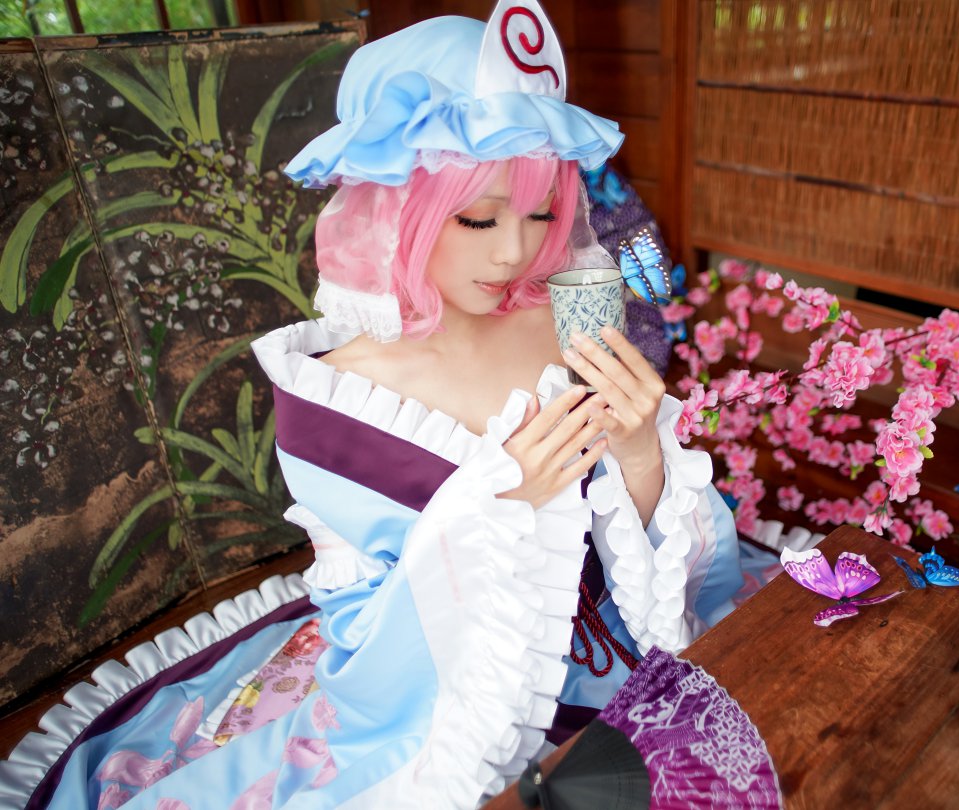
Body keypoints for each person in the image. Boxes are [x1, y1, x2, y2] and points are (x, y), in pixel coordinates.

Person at [7, 3, 743, 807]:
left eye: (541, 213)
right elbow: (370, 634)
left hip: (629, 641)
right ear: (396, 209)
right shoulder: (338, 397)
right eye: (477, 217)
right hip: (456, 698)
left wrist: (639, 455)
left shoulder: (559, 320)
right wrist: (497, 508)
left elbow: (646, 546)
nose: (515, 250)